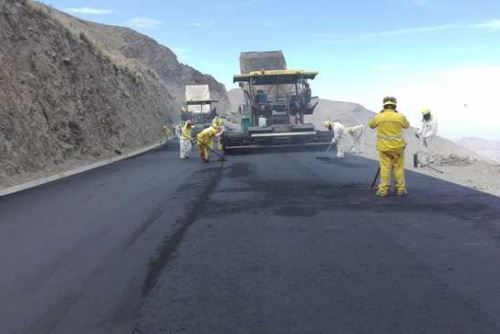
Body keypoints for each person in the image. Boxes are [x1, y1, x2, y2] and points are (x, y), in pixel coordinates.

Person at [368, 96, 410, 197]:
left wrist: (380, 114)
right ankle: (400, 189)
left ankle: (383, 190)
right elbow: (407, 125)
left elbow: (371, 125)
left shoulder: (379, 116)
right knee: (398, 168)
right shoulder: (400, 116)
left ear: (384, 105)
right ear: (395, 105)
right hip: (398, 148)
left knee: (385, 168)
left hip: (384, 148)